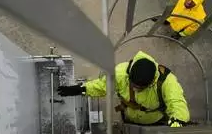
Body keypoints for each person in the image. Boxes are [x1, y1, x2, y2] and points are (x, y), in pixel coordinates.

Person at [57, 51, 190, 127]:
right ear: (130, 76)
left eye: (140, 87)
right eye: (133, 85)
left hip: (154, 122)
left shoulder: (166, 81)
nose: (135, 89)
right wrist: (81, 89)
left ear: (151, 82)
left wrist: (178, 120)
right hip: (129, 118)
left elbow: (176, 102)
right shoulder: (121, 73)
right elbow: (102, 86)